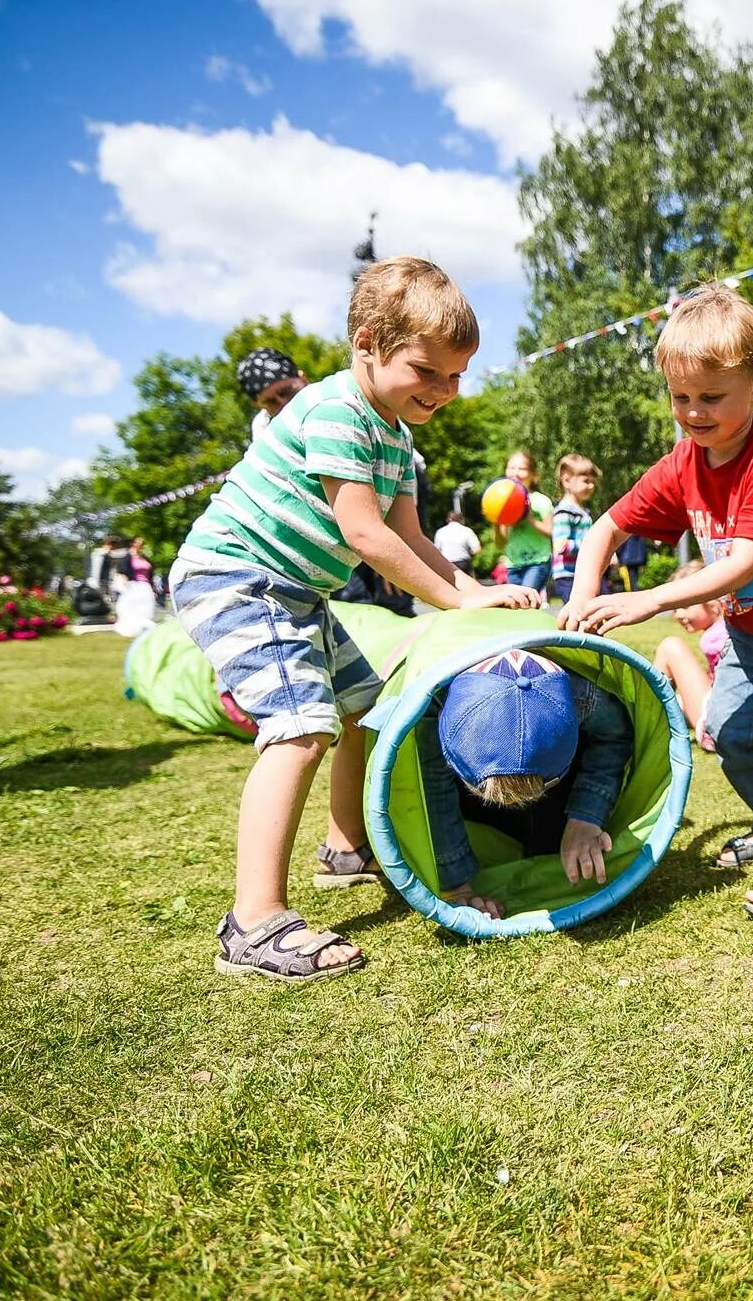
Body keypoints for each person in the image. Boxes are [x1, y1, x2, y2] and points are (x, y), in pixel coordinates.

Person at [170, 256, 541, 982]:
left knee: (364, 711)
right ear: (367, 342)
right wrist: (458, 600)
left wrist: (477, 589)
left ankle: (345, 849)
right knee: (302, 725)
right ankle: (253, 923)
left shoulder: (398, 438)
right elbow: (368, 535)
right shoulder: (337, 409)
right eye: (426, 371)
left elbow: (415, 538)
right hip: (240, 577)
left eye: (456, 375)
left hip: (300, 592)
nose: (443, 391)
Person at [558, 285, 753, 922]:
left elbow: (742, 563)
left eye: (710, 397)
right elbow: (605, 528)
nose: (694, 413)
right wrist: (582, 600)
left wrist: (646, 599)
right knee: (726, 729)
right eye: (681, 398)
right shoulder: (683, 462)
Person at [416, 648, 635, 914]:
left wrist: (586, 816)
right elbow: (431, 784)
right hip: (455, 673)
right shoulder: (433, 703)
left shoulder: (580, 695)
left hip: (557, 712)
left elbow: (615, 733)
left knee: (548, 847)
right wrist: (456, 884)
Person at [652, 559, 728, 751]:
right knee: (675, 703)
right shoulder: (728, 630)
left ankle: (644, 721)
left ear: (711, 599)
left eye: (684, 605)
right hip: (728, 722)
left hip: (718, 726)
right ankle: (647, 718)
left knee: (670, 647)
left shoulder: (718, 636)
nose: (677, 615)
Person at [496, 450, 554, 597]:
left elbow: (552, 532)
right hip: (513, 565)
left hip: (537, 563)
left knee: (526, 600)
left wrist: (531, 519)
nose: (515, 473)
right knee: (516, 606)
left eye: (521, 469)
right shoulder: (504, 503)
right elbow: (500, 543)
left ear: (534, 475)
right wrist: (496, 522)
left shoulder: (541, 501)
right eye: (511, 468)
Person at [550, 453, 601, 604]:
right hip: (568, 575)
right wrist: (593, 547)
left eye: (592, 481)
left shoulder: (583, 512)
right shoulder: (564, 512)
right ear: (567, 481)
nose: (591, 486)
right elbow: (561, 545)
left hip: (581, 573)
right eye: (586, 481)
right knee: (578, 614)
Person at [235, 348, 308, 445]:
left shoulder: (331, 395)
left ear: (302, 378)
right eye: (271, 402)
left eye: (287, 391)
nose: (284, 404)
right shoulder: (263, 428)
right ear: (257, 405)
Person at [433, 509, 480, 578]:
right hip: (463, 563)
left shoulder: (440, 532)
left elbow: (436, 550)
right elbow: (477, 549)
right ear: (461, 520)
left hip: (446, 563)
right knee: (467, 585)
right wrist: (467, 552)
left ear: (448, 519)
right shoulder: (467, 530)